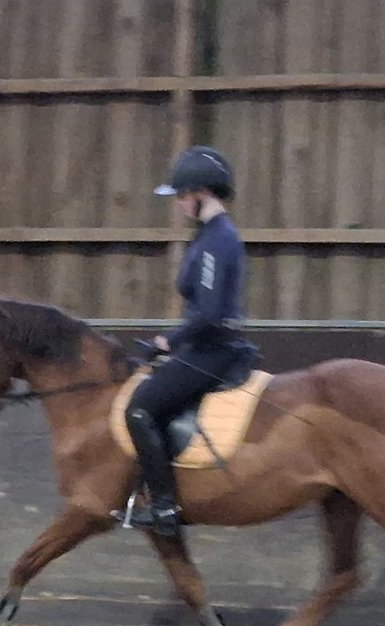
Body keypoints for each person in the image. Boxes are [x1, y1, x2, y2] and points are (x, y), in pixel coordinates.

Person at [119, 146, 254, 537]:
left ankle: (164, 507)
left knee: (140, 409)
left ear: (200, 193)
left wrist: (168, 341)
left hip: (214, 351)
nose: (178, 204)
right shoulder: (209, 237)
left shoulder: (217, 240)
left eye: (181, 196)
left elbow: (209, 314)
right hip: (205, 346)